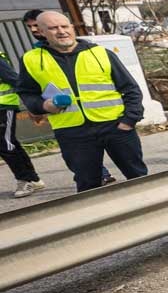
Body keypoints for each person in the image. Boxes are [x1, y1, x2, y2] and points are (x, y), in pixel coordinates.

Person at [16, 11, 149, 191]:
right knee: (88, 186)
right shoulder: (31, 60)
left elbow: (131, 89)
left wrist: (129, 120)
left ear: (72, 27)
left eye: (64, 26)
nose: (61, 31)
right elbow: (27, 93)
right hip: (72, 132)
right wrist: (42, 106)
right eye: (53, 28)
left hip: (115, 126)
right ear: (41, 32)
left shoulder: (101, 53)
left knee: (139, 178)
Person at [23, 9, 117, 184]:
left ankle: (102, 174)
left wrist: (129, 118)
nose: (34, 30)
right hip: (69, 122)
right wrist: (39, 106)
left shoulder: (88, 50)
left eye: (37, 25)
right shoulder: (33, 56)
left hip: (104, 118)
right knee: (84, 172)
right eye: (31, 27)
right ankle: (100, 175)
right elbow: (29, 89)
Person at [1, 46, 45, 197]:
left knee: (6, 146)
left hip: (3, 106)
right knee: (10, 143)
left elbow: (14, 79)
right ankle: (33, 179)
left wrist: (31, 105)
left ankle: (25, 180)